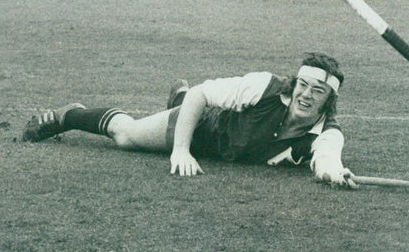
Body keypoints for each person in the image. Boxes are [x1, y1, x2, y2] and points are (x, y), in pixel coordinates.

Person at [22, 53, 357, 188]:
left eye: (318, 91)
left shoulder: (328, 133)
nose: (306, 95)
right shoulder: (264, 87)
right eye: (303, 85)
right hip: (203, 129)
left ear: (329, 100)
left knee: (186, 102)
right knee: (127, 136)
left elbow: (327, 159)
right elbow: (202, 94)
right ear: (294, 83)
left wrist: (334, 173)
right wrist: (181, 150)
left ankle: (176, 98)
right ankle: (68, 115)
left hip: (223, 144)